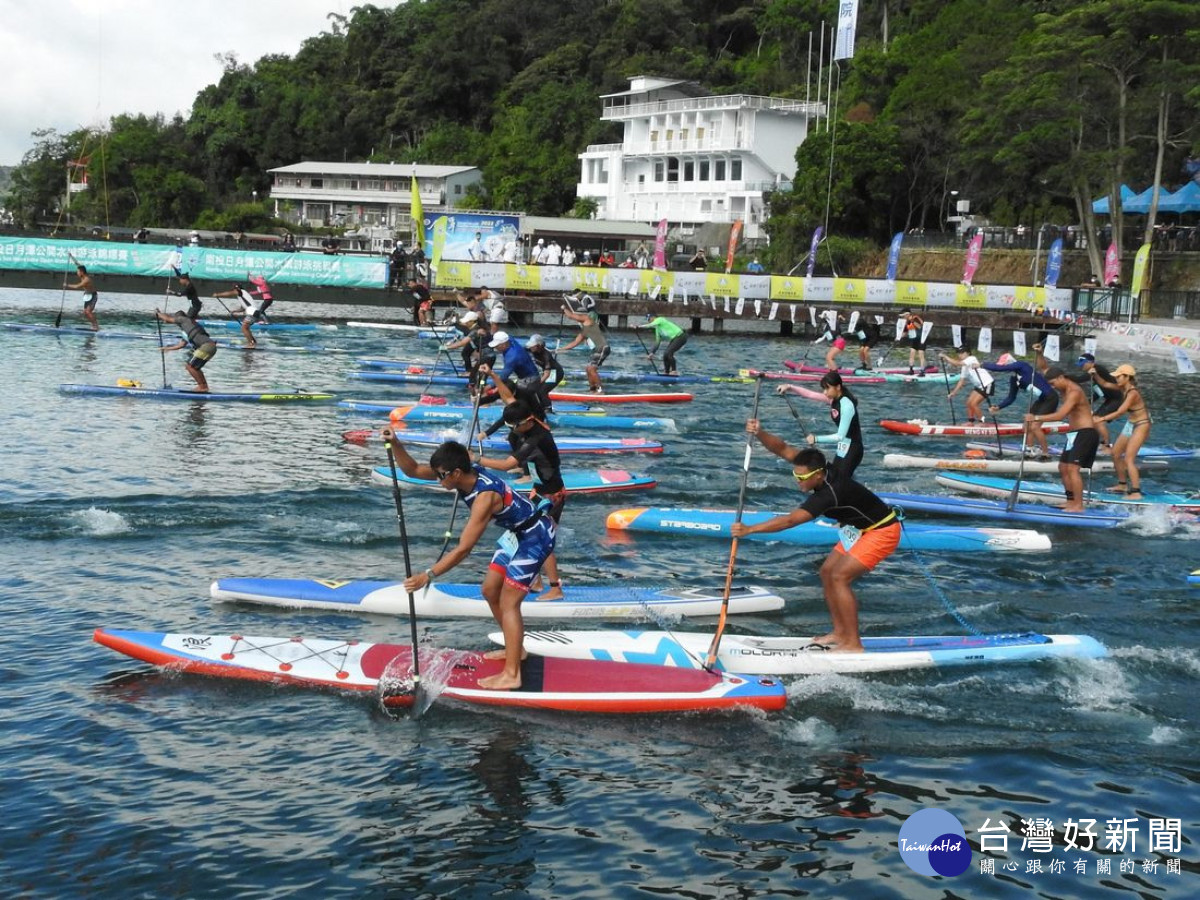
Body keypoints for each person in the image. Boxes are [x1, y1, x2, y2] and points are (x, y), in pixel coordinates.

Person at [385, 433, 556, 691]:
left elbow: (464, 549)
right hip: (517, 534)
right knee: (489, 590)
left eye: (441, 476)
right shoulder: (462, 473)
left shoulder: (484, 497)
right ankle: (516, 650)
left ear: (454, 473)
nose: (438, 480)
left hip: (536, 536)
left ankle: (512, 674)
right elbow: (413, 470)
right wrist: (396, 443)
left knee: (509, 602)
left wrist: (428, 575)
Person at [730, 434, 900, 654]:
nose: (798, 480)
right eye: (795, 475)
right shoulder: (815, 467)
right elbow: (782, 448)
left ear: (819, 475)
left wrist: (750, 529)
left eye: (803, 478)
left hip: (882, 531)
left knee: (840, 577)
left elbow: (791, 520)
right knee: (827, 571)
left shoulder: (830, 494)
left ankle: (853, 644)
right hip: (859, 530)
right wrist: (760, 432)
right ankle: (840, 633)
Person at [474, 380, 567, 601]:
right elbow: (509, 400)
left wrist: (477, 459)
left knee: (542, 539)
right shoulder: (527, 424)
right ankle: (535, 581)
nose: (511, 432)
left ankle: (555, 588)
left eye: (512, 427)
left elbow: (507, 465)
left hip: (552, 495)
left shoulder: (537, 437)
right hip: (538, 491)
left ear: (525, 422)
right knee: (527, 534)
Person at [1026, 367, 1099, 512]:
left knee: (1073, 469)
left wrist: (1035, 417)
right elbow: (1045, 367)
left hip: (1085, 433)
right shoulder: (1064, 388)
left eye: (1053, 383)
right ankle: (1070, 501)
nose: (1053, 387)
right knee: (1063, 467)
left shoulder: (1074, 392)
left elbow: (1060, 416)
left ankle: (1078, 505)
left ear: (1061, 378)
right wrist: (1039, 353)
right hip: (1074, 435)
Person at [985, 353, 1059, 459]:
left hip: (1051, 398)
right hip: (1042, 400)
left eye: (1005, 365)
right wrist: (999, 407)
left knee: (1035, 427)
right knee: (1026, 426)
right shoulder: (1014, 379)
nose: (1005, 368)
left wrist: (982, 365)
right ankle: (1030, 449)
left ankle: (1045, 453)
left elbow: (999, 369)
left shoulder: (1022, 365)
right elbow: (1011, 398)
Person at [1095, 364, 1150, 499]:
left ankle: (1136, 492)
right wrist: (1094, 374)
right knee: (1115, 454)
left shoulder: (1133, 393)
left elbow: (1120, 412)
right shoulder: (1122, 388)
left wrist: (1101, 418)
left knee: (1128, 459)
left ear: (1127, 377)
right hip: (1130, 424)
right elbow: (1105, 383)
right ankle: (1122, 484)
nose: (1117, 379)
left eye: (1119, 377)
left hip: (1141, 425)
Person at [799, 371, 863, 481]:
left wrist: (816, 439)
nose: (824, 392)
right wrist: (789, 387)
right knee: (832, 478)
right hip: (843, 448)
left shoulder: (846, 405)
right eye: (823, 389)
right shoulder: (833, 399)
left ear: (838, 387)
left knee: (838, 482)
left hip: (853, 448)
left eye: (827, 388)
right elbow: (810, 394)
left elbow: (840, 436)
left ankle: (860, 495)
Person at [154, 307, 217, 392]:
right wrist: (167, 348)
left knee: (190, 367)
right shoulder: (187, 329)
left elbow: (167, 319)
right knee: (194, 367)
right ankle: (204, 387)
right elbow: (182, 344)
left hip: (206, 346)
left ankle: (203, 387)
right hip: (209, 347)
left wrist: (158, 313)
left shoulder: (183, 319)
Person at [559, 293, 610, 393]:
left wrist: (564, 308)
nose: (579, 318)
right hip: (596, 349)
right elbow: (574, 343)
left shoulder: (588, 319)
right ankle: (592, 389)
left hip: (603, 347)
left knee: (592, 369)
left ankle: (600, 391)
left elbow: (571, 316)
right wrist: (560, 349)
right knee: (587, 369)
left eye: (580, 316)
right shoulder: (584, 332)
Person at [1076, 352, 1124, 450]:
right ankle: (1099, 443)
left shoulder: (1098, 369)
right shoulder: (1094, 373)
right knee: (1094, 420)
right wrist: (1088, 402)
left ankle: (1107, 445)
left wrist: (1064, 377)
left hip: (1117, 399)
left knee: (1098, 421)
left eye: (1083, 364)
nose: (1081, 367)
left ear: (1090, 363)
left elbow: (1080, 379)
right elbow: (1099, 393)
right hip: (1111, 399)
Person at [941, 346, 995, 424]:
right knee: (969, 403)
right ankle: (971, 422)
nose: (960, 355)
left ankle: (982, 422)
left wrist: (945, 357)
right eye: (959, 353)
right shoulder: (964, 367)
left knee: (974, 404)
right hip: (979, 386)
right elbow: (961, 381)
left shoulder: (971, 358)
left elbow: (957, 363)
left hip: (987, 384)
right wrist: (953, 393)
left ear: (968, 353)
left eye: (962, 353)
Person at [525, 333, 565, 409]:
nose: (530, 347)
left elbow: (547, 373)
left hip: (555, 373)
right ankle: (540, 407)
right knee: (535, 390)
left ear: (539, 346)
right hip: (547, 372)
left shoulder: (546, 355)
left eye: (532, 346)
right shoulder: (532, 349)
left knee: (542, 391)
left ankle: (548, 409)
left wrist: (538, 382)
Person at [66, 264, 99, 330]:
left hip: (93, 296)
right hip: (87, 296)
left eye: (78, 271)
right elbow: (77, 264)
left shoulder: (86, 279)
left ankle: (96, 326)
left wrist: (67, 285)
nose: (77, 273)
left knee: (88, 311)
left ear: (82, 272)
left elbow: (77, 286)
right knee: (85, 312)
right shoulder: (82, 276)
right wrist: (71, 256)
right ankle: (94, 325)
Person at [899, 309, 927, 374]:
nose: (902, 318)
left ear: (907, 315)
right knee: (912, 353)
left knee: (921, 354)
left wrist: (912, 321)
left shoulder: (915, 318)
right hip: (914, 339)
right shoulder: (907, 323)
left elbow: (920, 326)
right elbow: (905, 333)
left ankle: (922, 371)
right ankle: (911, 370)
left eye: (903, 316)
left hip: (922, 338)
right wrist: (899, 337)